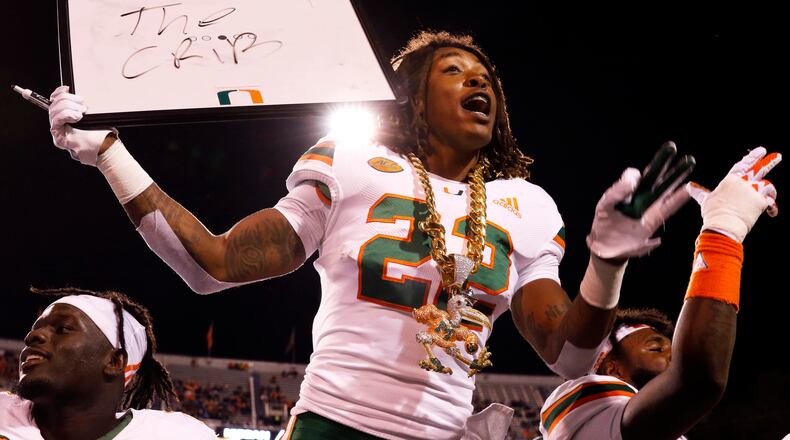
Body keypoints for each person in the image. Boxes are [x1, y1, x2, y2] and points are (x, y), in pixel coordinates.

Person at [46, 31, 690, 439]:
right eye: (456, 72)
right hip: (336, 426)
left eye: (487, 78)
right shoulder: (351, 163)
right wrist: (109, 154)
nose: (479, 83)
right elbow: (211, 265)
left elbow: (568, 355)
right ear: (412, 99)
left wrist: (606, 263)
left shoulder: (527, 206)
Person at [539, 147, 781, 439]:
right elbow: (698, 379)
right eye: (655, 347)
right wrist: (724, 230)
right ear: (608, 367)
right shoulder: (584, 407)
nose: (672, 354)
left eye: (671, 348)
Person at [0, 287, 216, 439]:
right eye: (35, 328)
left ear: (114, 361)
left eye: (62, 329)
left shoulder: (175, 435)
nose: (32, 336)